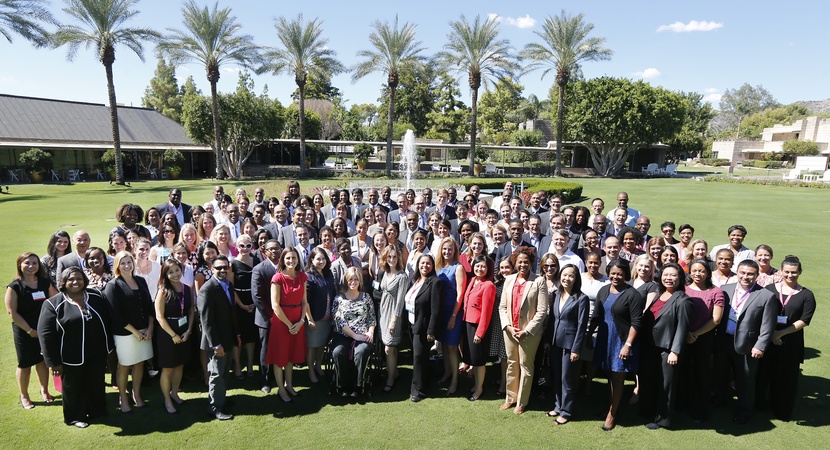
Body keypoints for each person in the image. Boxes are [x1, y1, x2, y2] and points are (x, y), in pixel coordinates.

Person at [38, 267, 113, 428]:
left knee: (96, 382)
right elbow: (45, 334)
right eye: (70, 279)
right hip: (70, 355)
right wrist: (53, 362)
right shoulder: (52, 304)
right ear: (63, 282)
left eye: (79, 278)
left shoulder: (95, 296)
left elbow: (107, 321)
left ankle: (97, 411)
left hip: (96, 353)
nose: (75, 282)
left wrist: (109, 348)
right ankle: (75, 416)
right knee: (73, 387)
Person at [714, 260, 777, 424]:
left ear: (757, 275)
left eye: (750, 274)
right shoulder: (725, 290)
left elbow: (768, 325)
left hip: (748, 345)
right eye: (742, 273)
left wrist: (760, 345)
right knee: (721, 374)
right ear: (737, 273)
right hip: (723, 341)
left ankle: (745, 410)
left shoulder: (766, 296)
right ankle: (720, 401)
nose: (745, 277)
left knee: (745, 380)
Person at [757, 256, 815, 422]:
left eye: (794, 272)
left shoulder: (806, 295)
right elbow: (761, 313)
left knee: (786, 379)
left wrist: (781, 333)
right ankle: (760, 406)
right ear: (781, 271)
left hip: (790, 342)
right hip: (768, 339)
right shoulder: (768, 289)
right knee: (764, 375)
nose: (790, 275)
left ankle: (782, 410)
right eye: (787, 272)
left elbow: (804, 320)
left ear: (800, 272)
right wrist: (772, 333)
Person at [591, 259, 644, 431]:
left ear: (626, 275)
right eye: (613, 273)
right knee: (609, 374)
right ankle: (612, 406)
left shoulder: (633, 294)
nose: (616, 276)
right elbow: (597, 315)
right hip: (605, 339)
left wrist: (627, 345)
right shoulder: (604, 290)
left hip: (621, 340)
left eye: (620, 274)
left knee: (618, 376)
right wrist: (587, 335)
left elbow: (636, 322)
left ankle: (612, 414)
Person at [638, 263, 692, 430]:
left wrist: (675, 351)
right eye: (665, 274)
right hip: (649, 347)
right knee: (650, 381)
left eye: (673, 275)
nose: (668, 278)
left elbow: (683, 328)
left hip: (667, 350)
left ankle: (663, 419)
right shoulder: (658, 295)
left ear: (680, 278)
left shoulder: (683, 300)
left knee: (665, 386)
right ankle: (647, 411)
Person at [103, 251, 154, 413]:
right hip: (125, 334)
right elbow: (114, 313)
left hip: (144, 331)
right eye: (123, 263)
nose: (127, 266)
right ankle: (123, 398)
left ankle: (136, 394)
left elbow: (149, 306)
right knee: (124, 366)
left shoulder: (141, 280)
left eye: (129, 262)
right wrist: (135, 332)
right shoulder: (113, 285)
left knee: (139, 363)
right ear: (117, 265)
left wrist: (150, 327)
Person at [5, 252, 57, 409]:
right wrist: (29, 330)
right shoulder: (14, 286)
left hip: (43, 330)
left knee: (42, 361)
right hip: (24, 331)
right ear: (20, 265)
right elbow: (12, 313)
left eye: (34, 263)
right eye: (27, 263)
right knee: (25, 363)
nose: (31, 266)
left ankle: (45, 390)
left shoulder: (44, 282)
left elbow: (55, 301)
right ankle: (24, 395)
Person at [499, 246, 547, 415]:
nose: (523, 265)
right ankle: (510, 398)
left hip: (529, 333)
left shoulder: (539, 281)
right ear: (515, 263)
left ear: (531, 263)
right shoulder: (509, 280)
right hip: (510, 331)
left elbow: (542, 311)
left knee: (526, 366)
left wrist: (526, 330)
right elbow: (502, 307)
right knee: (512, 364)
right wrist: (508, 327)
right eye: (519, 262)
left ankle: (522, 401)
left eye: (526, 262)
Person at [546, 264, 589, 425]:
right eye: (564, 275)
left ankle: (566, 411)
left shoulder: (581, 298)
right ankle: (558, 406)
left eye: (571, 275)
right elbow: (552, 319)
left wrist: (576, 349)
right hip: (555, 343)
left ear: (576, 278)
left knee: (567, 379)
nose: (567, 278)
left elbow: (581, 325)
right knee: (556, 376)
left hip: (570, 346)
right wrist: (547, 340)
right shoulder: (557, 294)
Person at [681, 259, 724, 423]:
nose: (697, 274)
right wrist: (686, 334)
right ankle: (682, 404)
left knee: (701, 374)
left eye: (701, 271)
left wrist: (694, 334)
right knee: (683, 372)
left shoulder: (716, 292)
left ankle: (700, 410)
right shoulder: (683, 288)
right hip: (682, 337)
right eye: (694, 270)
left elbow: (716, 319)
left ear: (708, 273)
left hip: (703, 339)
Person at [266, 248, 311, 403]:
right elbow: (275, 306)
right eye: (288, 258)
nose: (291, 261)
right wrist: (290, 324)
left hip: (298, 321)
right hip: (281, 322)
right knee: (280, 357)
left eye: (294, 258)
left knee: (291, 355)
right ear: (283, 260)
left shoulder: (302, 277)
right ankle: (281, 389)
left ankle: (289, 385)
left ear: (298, 260)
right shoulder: (277, 278)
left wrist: (301, 322)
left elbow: (305, 302)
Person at [198, 255, 238, 421]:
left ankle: (220, 400)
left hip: (228, 338)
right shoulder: (207, 289)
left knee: (223, 373)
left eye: (225, 267)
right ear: (211, 269)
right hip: (216, 342)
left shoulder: (228, 285)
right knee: (216, 374)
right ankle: (214, 407)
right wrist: (216, 345)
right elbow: (206, 321)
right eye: (219, 268)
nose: (222, 270)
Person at [154, 259, 195, 415]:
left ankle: (175, 393)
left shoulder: (187, 289)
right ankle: (167, 399)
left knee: (180, 365)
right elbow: (160, 317)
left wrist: (189, 330)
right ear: (165, 274)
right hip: (168, 335)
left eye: (177, 270)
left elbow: (191, 311)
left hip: (184, 332)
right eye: (170, 272)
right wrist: (173, 335)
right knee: (168, 368)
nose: (175, 274)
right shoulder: (163, 291)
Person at [331, 267, 377, 397]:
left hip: (363, 334)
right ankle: (343, 386)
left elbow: (371, 317)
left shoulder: (366, 297)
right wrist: (355, 336)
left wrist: (370, 332)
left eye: (356, 279)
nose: (353, 282)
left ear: (360, 281)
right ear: (346, 280)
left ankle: (358, 386)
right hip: (344, 334)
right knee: (338, 352)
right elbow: (338, 321)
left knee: (361, 352)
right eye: (350, 279)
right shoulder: (339, 298)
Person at [406, 254, 442, 402]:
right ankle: (424, 383)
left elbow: (436, 308)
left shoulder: (435, 282)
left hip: (424, 326)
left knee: (418, 357)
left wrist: (431, 330)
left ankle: (418, 391)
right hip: (412, 324)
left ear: (432, 266)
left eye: (428, 263)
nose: (425, 266)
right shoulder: (416, 280)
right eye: (422, 263)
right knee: (418, 357)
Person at [435, 236, 467, 396]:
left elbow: (460, 293)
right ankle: (447, 372)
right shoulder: (439, 266)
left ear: (455, 251)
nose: (447, 251)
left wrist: (454, 315)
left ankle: (455, 379)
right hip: (441, 311)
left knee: (452, 346)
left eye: (450, 249)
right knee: (444, 345)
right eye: (444, 248)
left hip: (453, 310)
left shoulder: (458, 268)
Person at [461, 255, 496, 402]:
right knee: (472, 359)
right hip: (467, 323)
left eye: (483, 266)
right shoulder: (473, 281)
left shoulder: (489, 286)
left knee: (479, 360)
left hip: (478, 327)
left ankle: (479, 388)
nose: (479, 269)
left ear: (487, 269)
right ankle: (475, 385)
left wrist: (480, 333)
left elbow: (487, 313)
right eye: (477, 265)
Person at [250, 240, 280, 393]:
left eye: (277, 248)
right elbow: (257, 297)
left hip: (284, 317)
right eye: (271, 249)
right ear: (265, 251)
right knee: (266, 349)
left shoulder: (285, 267)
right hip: (266, 318)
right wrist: (271, 316)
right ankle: (265, 379)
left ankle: (279, 376)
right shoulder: (259, 269)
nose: (275, 251)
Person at [378, 244, 408, 391]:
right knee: (389, 347)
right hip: (383, 313)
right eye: (389, 256)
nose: (392, 259)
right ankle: (394, 372)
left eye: (395, 256)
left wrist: (393, 321)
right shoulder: (386, 272)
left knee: (389, 348)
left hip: (393, 315)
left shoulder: (402, 276)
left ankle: (390, 379)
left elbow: (400, 301)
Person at [229, 234, 260, 380]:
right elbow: (231, 288)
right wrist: (241, 305)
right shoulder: (232, 264)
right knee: (239, 337)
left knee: (251, 336)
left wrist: (254, 303)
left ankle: (249, 366)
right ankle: (237, 367)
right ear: (236, 246)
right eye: (242, 245)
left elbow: (259, 283)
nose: (245, 248)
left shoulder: (256, 261)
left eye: (248, 245)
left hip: (254, 302)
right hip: (239, 302)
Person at [304, 247, 335, 384]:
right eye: (318, 259)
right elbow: (305, 301)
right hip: (314, 318)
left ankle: (318, 365)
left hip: (327, 317)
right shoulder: (308, 276)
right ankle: (310, 369)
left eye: (323, 259)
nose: (321, 261)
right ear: (312, 260)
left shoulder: (328, 274)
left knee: (321, 344)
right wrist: (309, 319)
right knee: (312, 346)